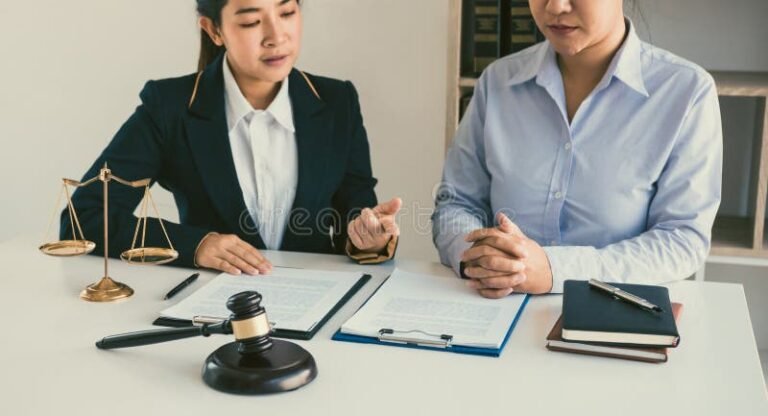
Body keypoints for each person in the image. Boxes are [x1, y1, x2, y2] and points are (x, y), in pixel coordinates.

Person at [62, 0, 401, 275]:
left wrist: (367, 239)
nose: (275, 36)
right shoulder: (170, 108)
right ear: (213, 29)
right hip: (211, 312)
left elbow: (355, 213)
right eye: (252, 22)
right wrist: (197, 245)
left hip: (314, 306)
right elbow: (82, 219)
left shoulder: (337, 101)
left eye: (286, 12)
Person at [433, 0, 722, 298]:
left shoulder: (686, 90)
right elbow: (458, 203)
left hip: (613, 314)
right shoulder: (497, 82)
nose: (555, 6)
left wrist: (553, 270)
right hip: (493, 309)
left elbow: (682, 239)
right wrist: (480, 260)